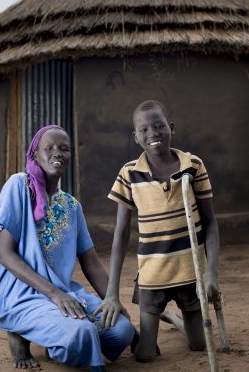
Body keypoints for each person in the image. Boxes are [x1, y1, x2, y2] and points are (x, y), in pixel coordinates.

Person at [0, 125, 135, 371]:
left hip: (64, 295)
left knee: (122, 331)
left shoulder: (71, 205)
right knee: (84, 332)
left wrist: (112, 299)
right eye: (49, 148)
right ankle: (21, 330)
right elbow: (4, 253)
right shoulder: (19, 186)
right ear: (35, 154)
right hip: (22, 296)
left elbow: (90, 262)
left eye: (64, 149)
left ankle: (56, 338)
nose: (57, 153)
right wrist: (54, 294)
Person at [94, 100, 220, 363]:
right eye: (144, 129)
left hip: (191, 272)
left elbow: (210, 223)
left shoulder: (193, 165)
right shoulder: (129, 173)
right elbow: (120, 235)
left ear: (171, 128)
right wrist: (112, 294)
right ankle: (158, 318)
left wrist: (210, 273)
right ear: (135, 136)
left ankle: (174, 318)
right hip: (153, 277)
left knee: (199, 344)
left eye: (159, 125)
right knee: (145, 356)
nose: (152, 133)